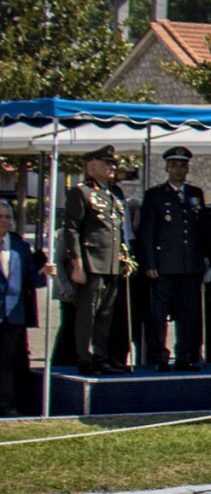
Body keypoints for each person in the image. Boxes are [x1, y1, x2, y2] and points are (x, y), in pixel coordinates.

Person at [137, 147, 211, 370]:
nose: (179, 170)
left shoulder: (195, 194)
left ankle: (185, 356)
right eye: (174, 165)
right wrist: (149, 263)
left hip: (190, 265)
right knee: (159, 313)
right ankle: (159, 356)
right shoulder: (155, 195)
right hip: (164, 265)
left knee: (188, 313)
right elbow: (147, 232)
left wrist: (208, 259)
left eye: (182, 165)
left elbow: (203, 230)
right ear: (167, 168)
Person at [62, 145, 130, 376]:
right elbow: (71, 230)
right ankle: (85, 357)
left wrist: (122, 258)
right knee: (87, 314)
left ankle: (101, 356)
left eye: (113, 164)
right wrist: (77, 264)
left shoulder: (111, 194)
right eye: (106, 163)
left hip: (110, 263)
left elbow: (114, 231)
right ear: (91, 166)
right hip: (91, 262)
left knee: (105, 314)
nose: (112, 167)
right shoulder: (81, 192)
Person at [0, 200, 49, 415]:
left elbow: (31, 280)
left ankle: (6, 403)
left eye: (7, 217)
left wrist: (44, 271)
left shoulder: (20, 245)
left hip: (14, 314)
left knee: (8, 361)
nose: (4, 221)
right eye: (0, 217)